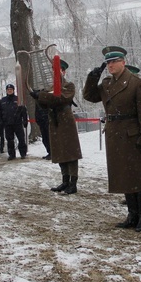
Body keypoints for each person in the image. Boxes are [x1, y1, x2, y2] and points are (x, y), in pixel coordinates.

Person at [83, 46, 141, 231]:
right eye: (108, 62)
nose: (110, 65)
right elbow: (89, 96)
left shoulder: (136, 82)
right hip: (115, 135)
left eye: (114, 61)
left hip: (133, 135)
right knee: (123, 175)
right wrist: (93, 77)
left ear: (123, 62)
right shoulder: (107, 83)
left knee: (139, 176)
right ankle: (132, 215)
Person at [29, 60, 83, 194]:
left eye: (59, 70)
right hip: (54, 120)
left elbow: (60, 98)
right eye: (54, 70)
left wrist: (42, 96)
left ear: (63, 72)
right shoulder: (49, 88)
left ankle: (73, 183)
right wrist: (37, 97)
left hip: (66, 120)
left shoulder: (69, 86)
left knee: (70, 151)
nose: (56, 73)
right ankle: (65, 181)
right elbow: (45, 104)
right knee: (59, 150)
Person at [0, 84, 27, 160]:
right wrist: (0, 121)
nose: (9, 90)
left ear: (13, 90)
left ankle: (23, 153)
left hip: (17, 123)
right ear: (6, 91)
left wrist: (25, 120)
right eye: (8, 89)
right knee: (10, 140)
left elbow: (23, 111)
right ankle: (11, 154)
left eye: (11, 89)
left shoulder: (18, 99)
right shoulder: (3, 101)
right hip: (7, 124)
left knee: (21, 139)